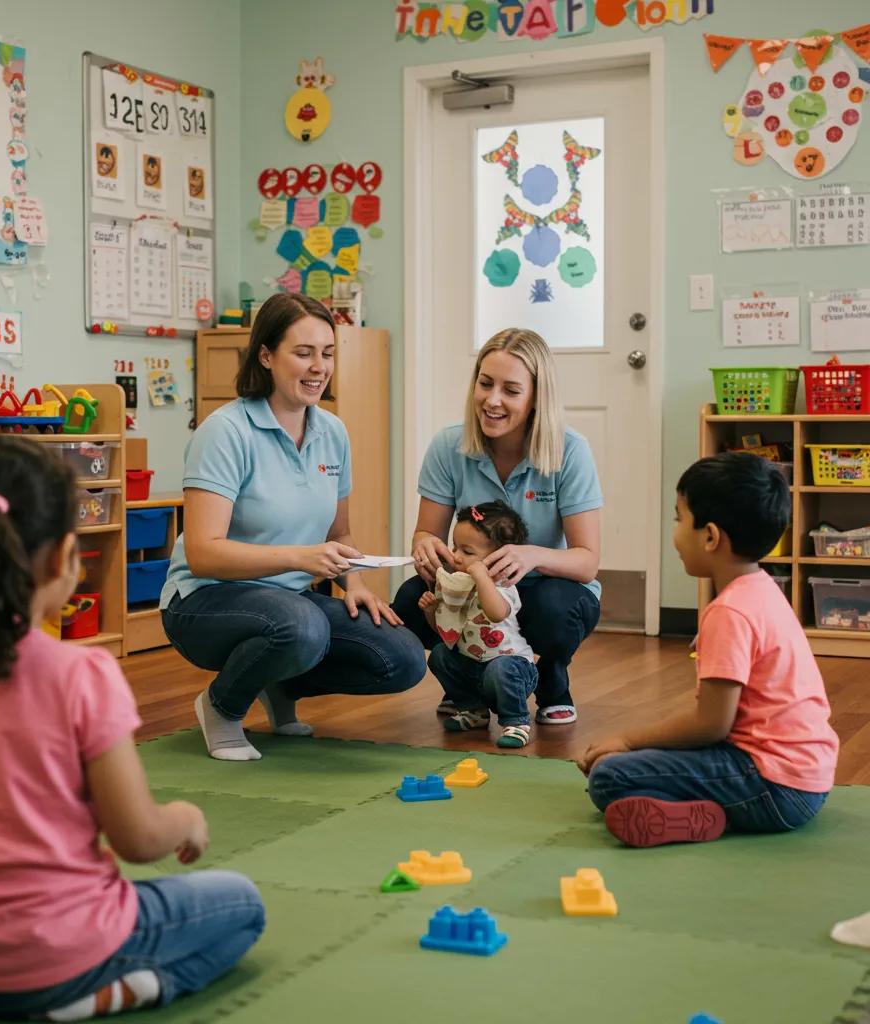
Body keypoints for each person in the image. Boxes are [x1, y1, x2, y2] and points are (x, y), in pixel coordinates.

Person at [0, 437, 264, 1019]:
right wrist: (187, 819)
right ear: (62, 557)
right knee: (243, 906)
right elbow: (139, 839)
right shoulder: (81, 674)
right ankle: (115, 991)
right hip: (67, 955)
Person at [161, 293, 426, 762]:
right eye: (303, 353)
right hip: (204, 600)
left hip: (289, 603)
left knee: (401, 658)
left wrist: (356, 583)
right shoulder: (225, 432)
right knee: (302, 626)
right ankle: (221, 707)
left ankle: (277, 683)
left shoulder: (333, 432)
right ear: (266, 356)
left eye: (327, 353)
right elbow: (203, 552)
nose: (318, 367)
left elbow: (339, 533)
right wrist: (299, 558)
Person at [578, 453, 838, 848]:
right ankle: (692, 811)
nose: (675, 532)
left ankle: (703, 816)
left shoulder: (730, 611)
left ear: (711, 536)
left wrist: (628, 740)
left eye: (679, 518)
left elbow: (712, 724)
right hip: (809, 781)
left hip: (774, 785)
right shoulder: (764, 589)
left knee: (610, 776)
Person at [393, 328, 602, 725]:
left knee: (557, 616)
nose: (492, 400)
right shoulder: (448, 446)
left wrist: (531, 556)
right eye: (485, 384)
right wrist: (424, 547)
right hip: (471, 587)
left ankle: (552, 680)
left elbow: (587, 562)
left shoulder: (570, 450)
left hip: (543, 586)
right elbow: (427, 533)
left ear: (537, 396)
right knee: (408, 602)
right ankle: (466, 684)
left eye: (511, 390)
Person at [418, 501, 538, 748]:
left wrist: (482, 577)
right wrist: (432, 610)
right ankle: (474, 710)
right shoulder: (456, 584)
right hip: (471, 665)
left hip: (511, 668)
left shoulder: (503, 585)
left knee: (499, 669)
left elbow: (495, 613)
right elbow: (444, 628)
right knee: (440, 654)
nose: (456, 557)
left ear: (498, 556)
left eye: (468, 552)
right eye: (455, 547)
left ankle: (516, 721)